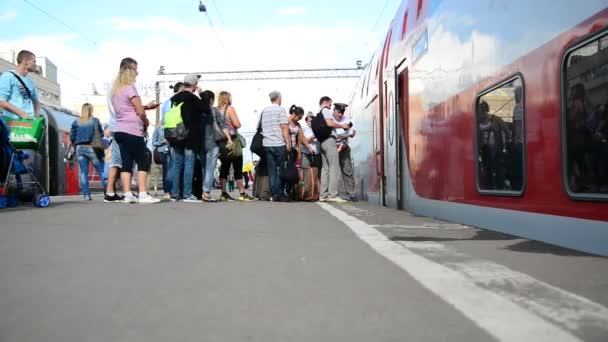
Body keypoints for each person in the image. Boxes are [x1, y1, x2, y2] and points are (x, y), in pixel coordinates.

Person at [110, 57, 161, 204]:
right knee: (142, 161)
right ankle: (143, 194)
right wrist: (145, 122)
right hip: (133, 130)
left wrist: (146, 107)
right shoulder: (130, 88)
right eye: (135, 69)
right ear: (129, 70)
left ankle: (127, 195)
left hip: (120, 131)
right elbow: (139, 111)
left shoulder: (116, 91)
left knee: (126, 163)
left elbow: (127, 109)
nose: (137, 72)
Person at [168, 74, 211, 202]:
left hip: (175, 134)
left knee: (177, 164)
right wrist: (202, 94)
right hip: (189, 136)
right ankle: (187, 194)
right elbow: (206, 109)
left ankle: (175, 193)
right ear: (194, 85)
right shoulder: (192, 98)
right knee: (189, 164)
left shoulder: (174, 98)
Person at [217, 91, 254, 201]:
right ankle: (242, 193)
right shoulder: (230, 109)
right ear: (227, 98)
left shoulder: (217, 110)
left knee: (224, 167)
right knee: (237, 166)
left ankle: (223, 193)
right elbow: (237, 124)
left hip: (222, 141)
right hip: (232, 140)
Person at [69, 103, 107, 200]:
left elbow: (72, 136)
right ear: (91, 110)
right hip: (92, 148)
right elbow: (101, 134)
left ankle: (86, 195)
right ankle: (108, 192)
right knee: (101, 171)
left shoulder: (76, 122)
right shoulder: (95, 121)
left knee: (83, 173)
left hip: (80, 148)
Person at [200, 90, 232, 202]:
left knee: (204, 168)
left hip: (200, 144)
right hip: (213, 143)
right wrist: (228, 139)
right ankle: (206, 193)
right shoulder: (214, 111)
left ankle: (202, 191)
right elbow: (222, 126)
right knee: (210, 169)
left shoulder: (198, 111)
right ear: (211, 100)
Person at [260, 91, 291, 202]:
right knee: (280, 169)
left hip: (267, 144)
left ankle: (273, 194)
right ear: (279, 98)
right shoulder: (280, 109)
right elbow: (284, 127)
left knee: (272, 170)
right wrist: (288, 143)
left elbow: (259, 127)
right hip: (279, 143)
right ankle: (280, 193)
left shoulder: (264, 111)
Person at [318, 96, 350, 203]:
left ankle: (323, 195)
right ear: (326, 103)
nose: (330, 107)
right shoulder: (326, 110)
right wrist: (342, 126)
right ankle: (333, 194)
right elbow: (330, 123)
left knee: (325, 168)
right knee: (334, 167)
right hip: (329, 141)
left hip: (322, 142)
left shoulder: (319, 113)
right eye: (330, 104)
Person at [0, 50, 40, 119]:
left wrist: (36, 115)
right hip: (12, 123)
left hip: (29, 123)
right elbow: (2, 101)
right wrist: (23, 114)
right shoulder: (8, 76)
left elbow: (36, 101)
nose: (36, 65)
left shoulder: (30, 81)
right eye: (34, 61)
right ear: (25, 61)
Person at [332, 103, 358, 202]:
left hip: (344, 147)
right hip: (333, 147)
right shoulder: (330, 119)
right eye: (338, 112)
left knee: (347, 170)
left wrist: (351, 134)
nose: (340, 114)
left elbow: (351, 132)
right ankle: (333, 192)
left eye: (342, 112)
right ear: (334, 110)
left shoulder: (347, 119)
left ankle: (351, 193)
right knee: (333, 170)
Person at [285, 105, 304, 196]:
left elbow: (300, 139)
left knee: (291, 171)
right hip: (285, 149)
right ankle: (283, 189)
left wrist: (299, 152)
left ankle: (288, 190)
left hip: (293, 151)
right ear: (294, 114)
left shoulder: (298, 124)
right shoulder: (285, 121)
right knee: (285, 170)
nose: (299, 119)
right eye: (299, 117)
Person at [152, 124, 171, 198]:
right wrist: (161, 142)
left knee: (170, 171)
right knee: (165, 172)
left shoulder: (172, 127)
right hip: (162, 152)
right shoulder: (158, 129)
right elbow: (153, 142)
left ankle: (171, 190)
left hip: (171, 152)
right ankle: (166, 191)